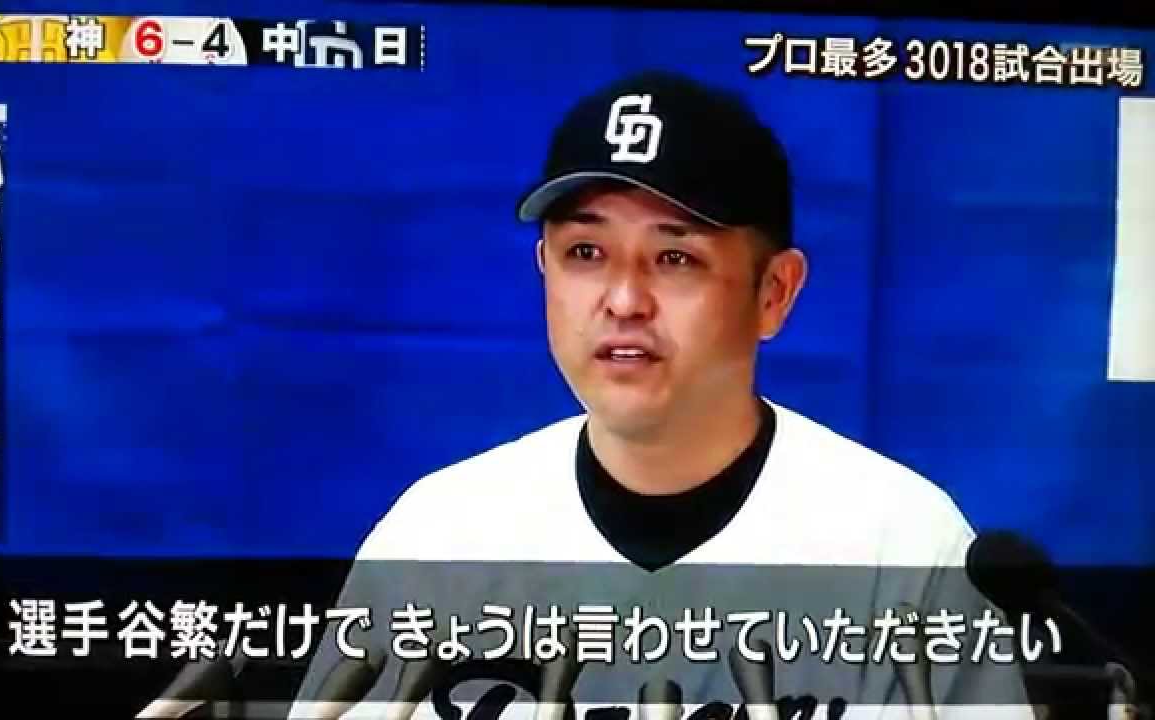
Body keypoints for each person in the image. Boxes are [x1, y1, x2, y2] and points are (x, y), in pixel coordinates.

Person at [286, 70, 1033, 720]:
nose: (622, 300)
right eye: (585, 252)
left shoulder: (904, 547)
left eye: (675, 257)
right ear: (544, 268)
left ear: (775, 292)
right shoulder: (438, 537)